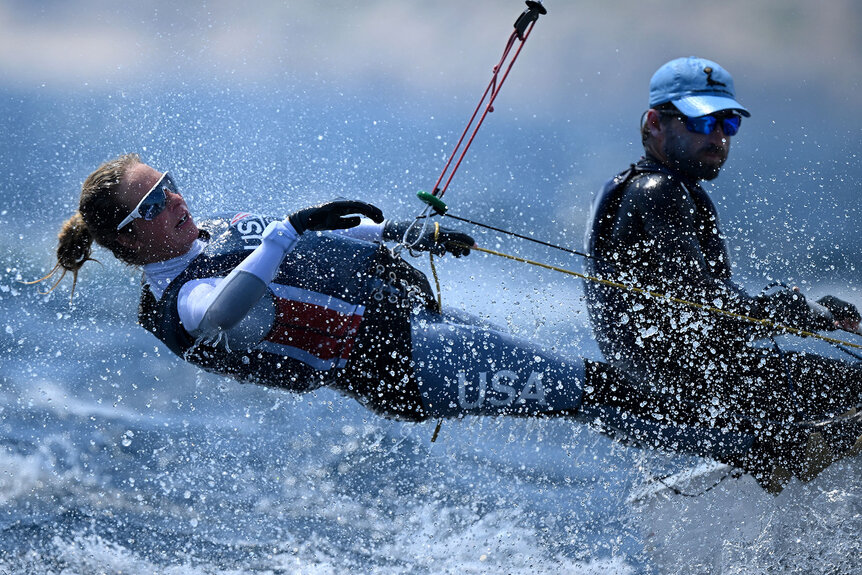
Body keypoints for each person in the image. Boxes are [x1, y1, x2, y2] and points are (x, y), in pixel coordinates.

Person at [38, 154, 588, 423]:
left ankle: (671, 437)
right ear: (130, 242)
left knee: (585, 384)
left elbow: (311, 244)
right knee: (589, 391)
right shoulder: (181, 300)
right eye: (153, 205)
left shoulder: (212, 235)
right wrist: (287, 231)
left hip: (412, 321)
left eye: (169, 187)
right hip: (397, 363)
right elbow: (222, 313)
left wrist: (398, 232)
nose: (176, 202)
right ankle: (675, 428)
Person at [583, 56, 862, 440]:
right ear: (654, 122)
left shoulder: (652, 185)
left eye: (728, 123)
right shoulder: (658, 191)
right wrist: (784, 308)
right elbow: (699, 303)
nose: (717, 138)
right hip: (682, 389)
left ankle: (786, 457)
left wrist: (812, 308)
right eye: (700, 122)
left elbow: (694, 308)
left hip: (691, 378)